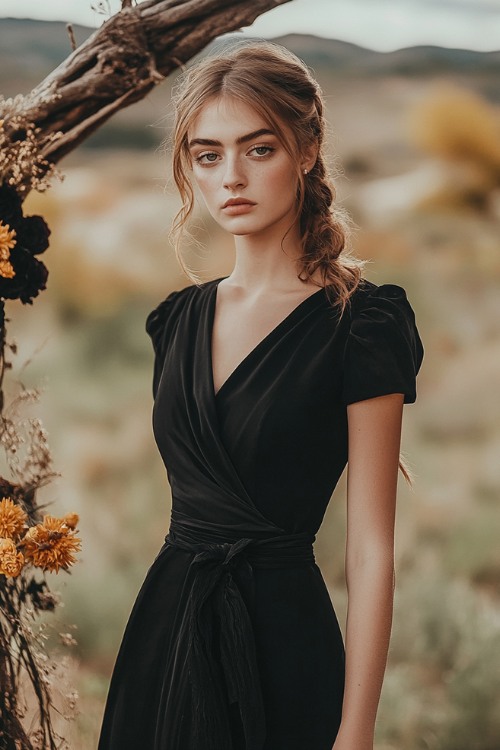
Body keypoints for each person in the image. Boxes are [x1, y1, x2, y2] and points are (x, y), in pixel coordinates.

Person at [97, 41, 424, 750]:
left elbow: (370, 549)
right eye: (207, 155)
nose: (230, 178)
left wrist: (356, 730)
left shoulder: (361, 325)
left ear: (307, 150)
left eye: (258, 149)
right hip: (166, 639)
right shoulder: (175, 322)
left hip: (285, 649)